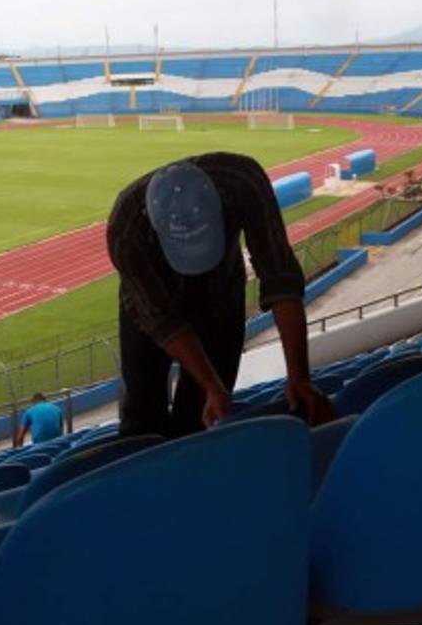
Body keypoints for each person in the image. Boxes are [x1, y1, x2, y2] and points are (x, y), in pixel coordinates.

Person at [106, 153, 333, 438]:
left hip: (222, 288)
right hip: (150, 298)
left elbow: (280, 277)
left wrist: (300, 378)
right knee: (141, 412)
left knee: (203, 415)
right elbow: (163, 322)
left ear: (219, 208)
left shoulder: (243, 182)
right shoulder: (126, 229)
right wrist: (211, 384)